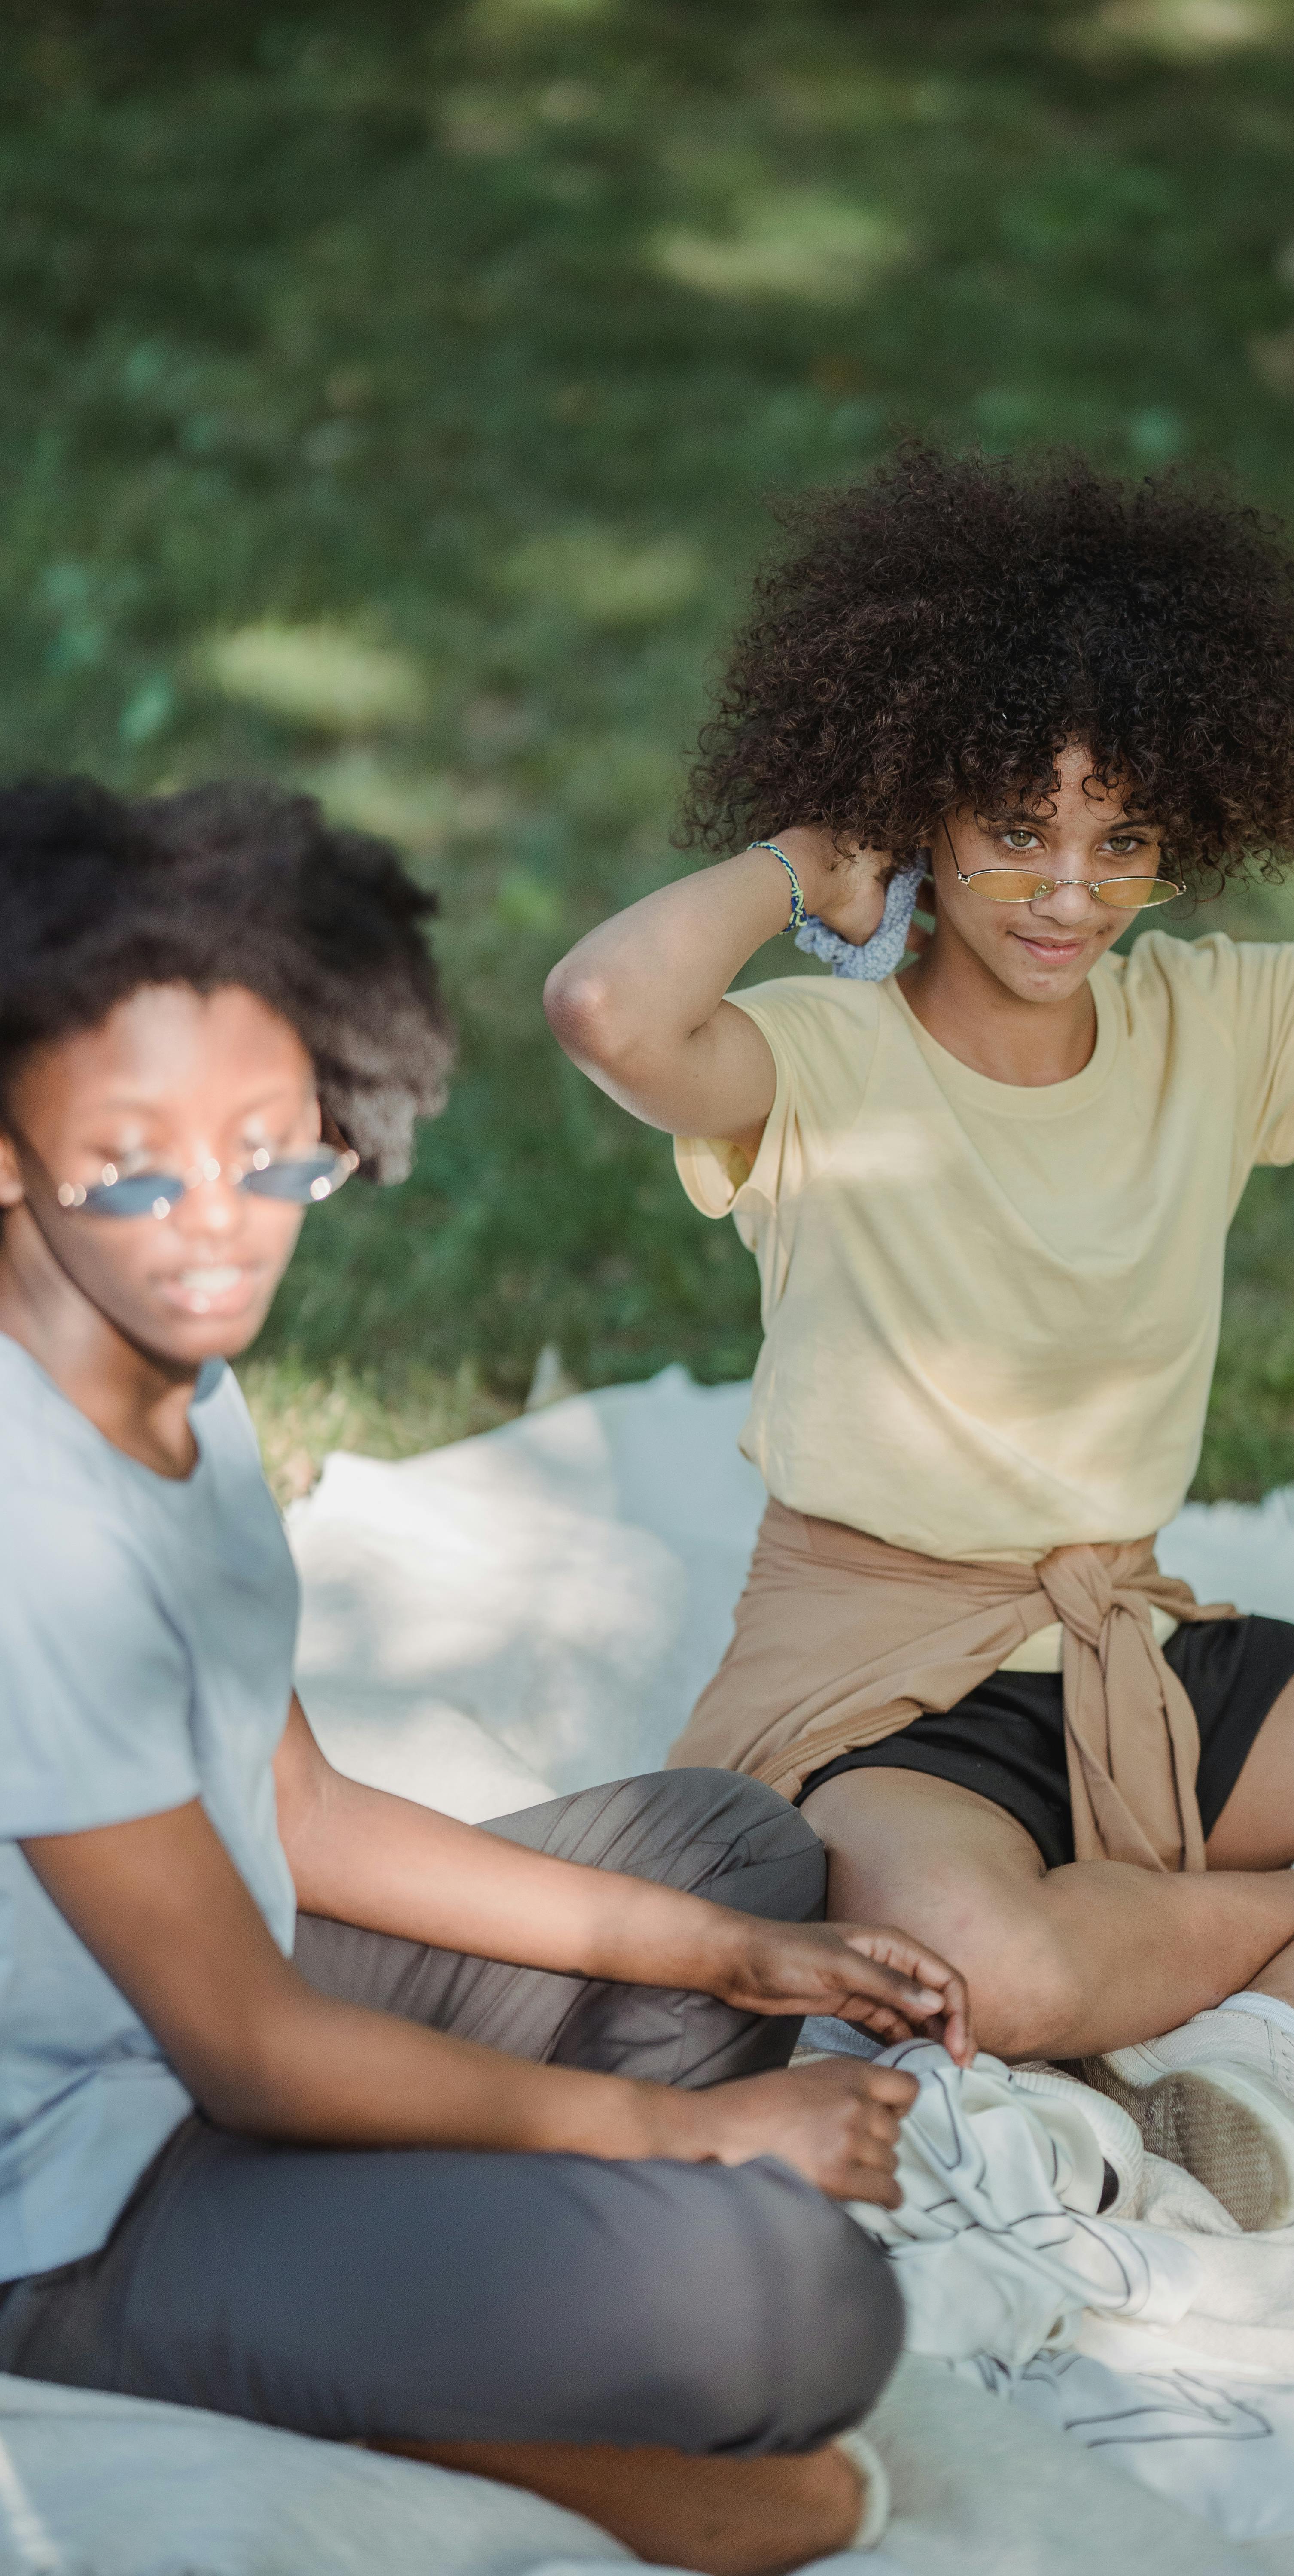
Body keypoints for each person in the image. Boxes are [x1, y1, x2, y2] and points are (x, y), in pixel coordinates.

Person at [547, 442, 1294, 2238]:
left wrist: (1286, 767)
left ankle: (1267, 2032)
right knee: (977, 1983)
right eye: (1016, 828)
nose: (1068, 895)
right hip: (880, 1690)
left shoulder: (1211, 1021)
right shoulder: (816, 1057)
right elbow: (605, 1004)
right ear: (923, 807)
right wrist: (807, 852)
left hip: (1140, 1658)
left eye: (1128, 840)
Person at [0, 777, 974, 2576]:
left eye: (270, 1152)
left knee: (730, 1858)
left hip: (212, 2021)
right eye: (135, 1163)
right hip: (62, 2198)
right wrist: (684, 2140)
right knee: (789, 2313)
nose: (219, 1225)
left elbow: (297, 1811)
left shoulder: (168, 1368)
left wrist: (730, 1957)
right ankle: (302, 2353)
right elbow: (255, 2050)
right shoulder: (29, 1531)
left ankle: (383, 2277)